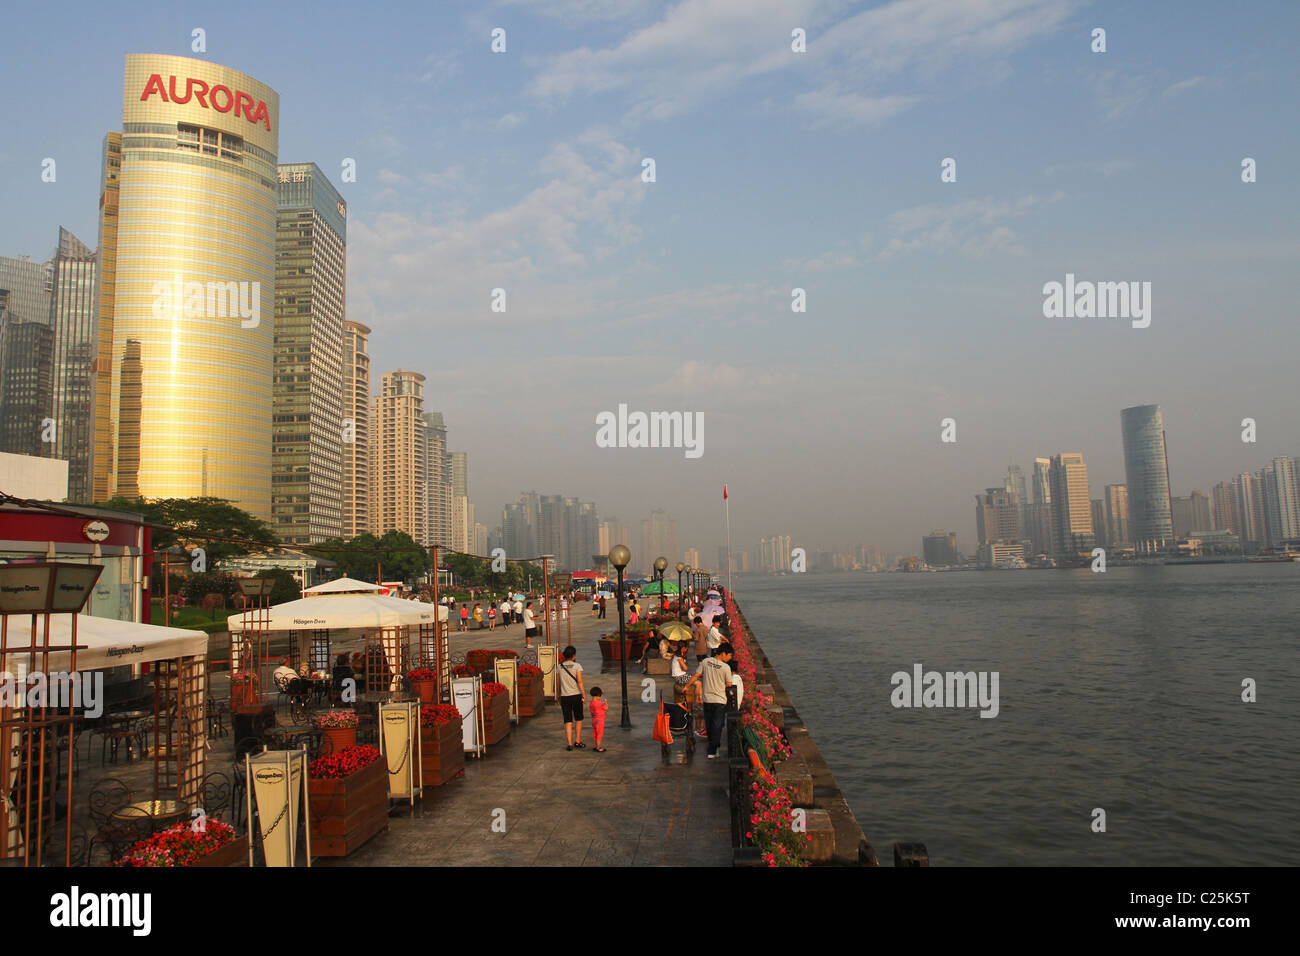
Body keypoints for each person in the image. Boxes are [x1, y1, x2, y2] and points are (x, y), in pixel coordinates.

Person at [683, 643, 734, 758]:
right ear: (723, 653)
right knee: (717, 725)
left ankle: (713, 748)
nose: (730, 658)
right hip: (720, 700)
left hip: (707, 699)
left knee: (710, 725)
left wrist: (687, 686)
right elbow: (729, 684)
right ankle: (713, 750)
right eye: (729, 655)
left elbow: (696, 675)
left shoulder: (706, 662)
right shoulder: (726, 668)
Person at [557, 645, 586, 750]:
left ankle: (569, 744)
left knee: (567, 720)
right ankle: (577, 741)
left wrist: (558, 695)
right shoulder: (577, 666)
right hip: (576, 695)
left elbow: (558, 682)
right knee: (578, 718)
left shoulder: (559, 667)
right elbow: (580, 681)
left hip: (565, 696)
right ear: (573, 656)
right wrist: (583, 694)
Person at [589, 685, 607, 752]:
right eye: (600, 696)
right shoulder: (600, 703)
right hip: (600, 721)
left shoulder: (591, 703)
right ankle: (598, 747)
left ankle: (596, 745)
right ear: (598, 696)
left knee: (595, 733)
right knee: (599, 734)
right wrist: (605, 703)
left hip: (594, 720)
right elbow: (606, 708)